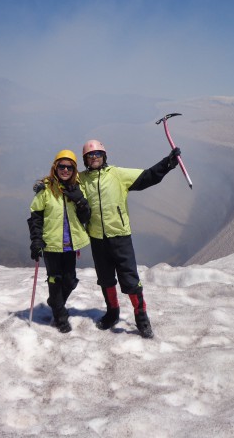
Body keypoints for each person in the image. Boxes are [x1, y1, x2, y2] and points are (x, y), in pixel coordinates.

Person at [79, 139, 181, 338]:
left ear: (104, 156)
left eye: (98, 154)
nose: (94, 158)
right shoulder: (81, 179)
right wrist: (43, 186)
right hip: (97, 238)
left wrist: (167, 163)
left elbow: (146, 177)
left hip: (120, 237)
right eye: (90, 155)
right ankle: (112, 313)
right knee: (106, 279)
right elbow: (61, 181)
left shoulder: (117, 174)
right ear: (85, 159)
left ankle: (141, 318)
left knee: (130, 280)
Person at [27, 149, 91, 333]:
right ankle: (60, 317)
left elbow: (85, 217)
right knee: (55, 279)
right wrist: (36, 240)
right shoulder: (45, 190)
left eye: (69, 167)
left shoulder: (77, 188)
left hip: (70, 243)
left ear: (74, 169)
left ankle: (55, 303)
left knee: (70, 281)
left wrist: (81, 202)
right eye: (62, 166)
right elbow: (36, 217)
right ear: (55, 168)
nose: (65, 170)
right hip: (51, 243)